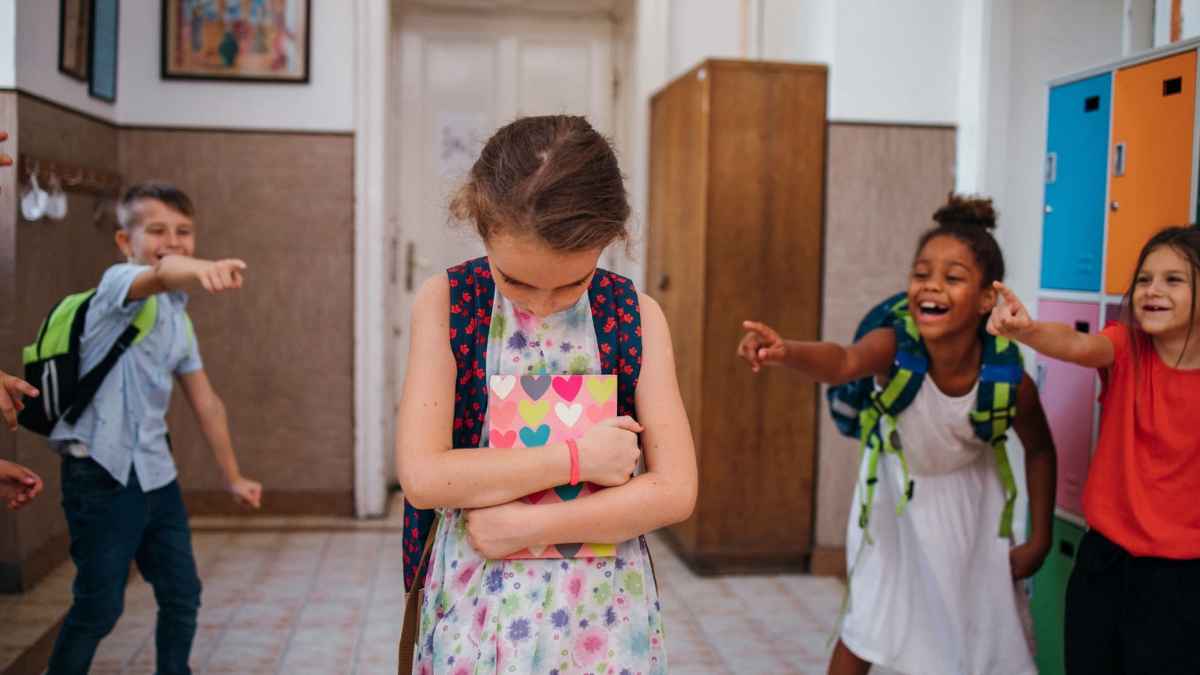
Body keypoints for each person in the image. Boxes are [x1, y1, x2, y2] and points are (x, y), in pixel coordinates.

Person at [396, 115, 697, 674]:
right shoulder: (445, 302)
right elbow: (423, 476)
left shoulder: (636, 315)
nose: (538, 305)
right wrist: (578, 458)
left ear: (610, 240)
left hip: (603, 609)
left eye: (570, 283)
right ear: (481, 227)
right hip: (474, 596)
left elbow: (675, 489)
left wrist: (529, 526)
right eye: (515, 282)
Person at [739, 195, 1055, 675]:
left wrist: (1041, 538)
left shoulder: (1009, 380)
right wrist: (787, 352)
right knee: (873, 613)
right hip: (894, 497)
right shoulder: (895, 347)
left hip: (973, 504)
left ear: (987, 299)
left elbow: (1040, 449)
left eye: (953, 278)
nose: (931, 286)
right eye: (922, 274)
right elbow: (843, 361)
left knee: (984, 626)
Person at [46, 182, 263, 675]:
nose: (173, 240)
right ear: (126, 241)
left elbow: (206, 402)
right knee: (100, 607)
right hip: (99, 475)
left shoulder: (176, 318)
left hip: (156, 475)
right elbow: (163, 273)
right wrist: (203, 269)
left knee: (183, 594)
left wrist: (233, 476)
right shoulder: (117, 286)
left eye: (184, 231)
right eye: (157, 230)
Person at [988, 225, 1200, 675]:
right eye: (1144, 279)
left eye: (1173, 280)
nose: (1152, 290)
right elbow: (1078, 344)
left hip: (1182, 578)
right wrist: (1027, 331)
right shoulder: (1127, 348)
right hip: (1103, 561)